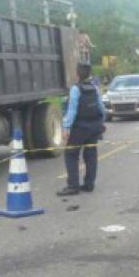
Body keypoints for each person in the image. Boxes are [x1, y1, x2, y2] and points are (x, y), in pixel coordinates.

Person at [57, 63, 106, 196]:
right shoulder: (95, 88)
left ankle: (73, 186)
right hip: (94, 126)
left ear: (77, 74)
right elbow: (101, 108)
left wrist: (66, 127)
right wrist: (102, 123)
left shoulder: (75, 89)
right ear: (89, 74)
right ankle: (89, 184)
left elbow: (72, 110)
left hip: (80, 127)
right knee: (91, 155)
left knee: (71, 154)